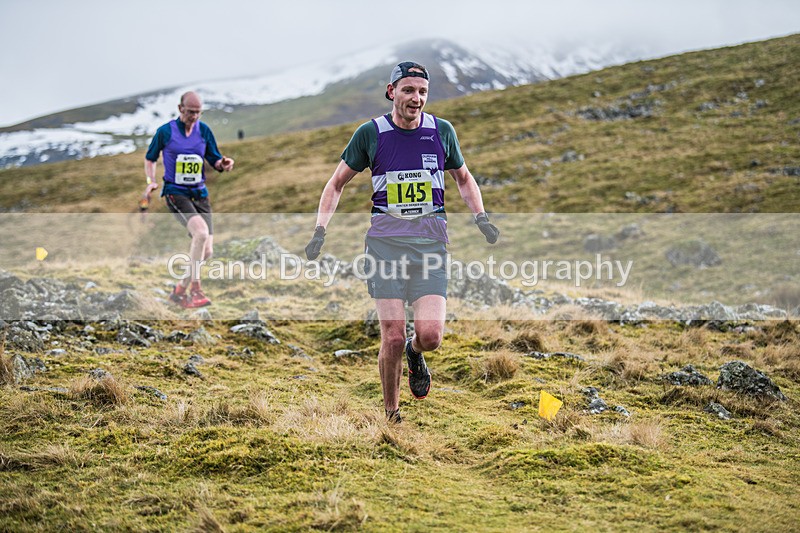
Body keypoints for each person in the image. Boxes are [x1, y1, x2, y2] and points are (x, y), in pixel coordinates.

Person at [305, 61, 500, 423]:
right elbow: (336, 184)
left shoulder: (442, 131)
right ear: (391, 91)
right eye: (409, 90)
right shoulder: (371, 133)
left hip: (430, 248)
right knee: (392, 336)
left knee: (430, 336)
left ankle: (416, 354)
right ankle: (391, 413)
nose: (417, 98)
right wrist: (320, 230)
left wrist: (481, 217)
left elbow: (463, 178)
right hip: (385, 248)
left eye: (423, 91)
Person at [142, 91, 234, 308]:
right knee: (200, 234)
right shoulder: (165, 132)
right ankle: (195, 290)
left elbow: (214, 158)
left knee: (207, 251)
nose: (194, 116)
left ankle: (179, 291)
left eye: (198, 113)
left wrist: (224, 164)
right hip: (176, 192)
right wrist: (150, 180)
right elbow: (150, 158)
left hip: (200, 194)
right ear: (180, 108)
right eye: (190, 112)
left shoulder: (204, 131)